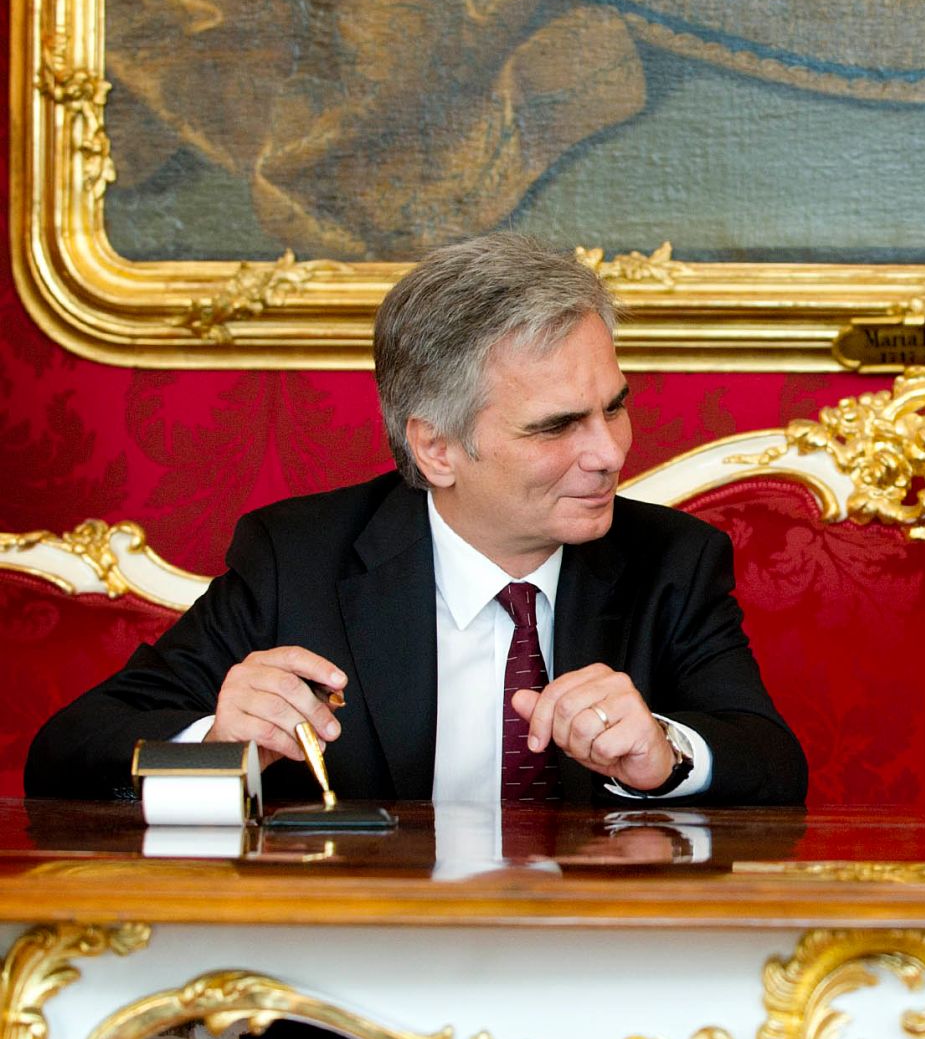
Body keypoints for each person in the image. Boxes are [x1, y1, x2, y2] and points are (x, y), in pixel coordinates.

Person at [26, 232, 807, 809]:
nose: (608, 451)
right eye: (558, 425)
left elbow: (773, 764)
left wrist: (664, 756)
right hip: (354, 990)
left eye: (616, 407)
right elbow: (65, 754)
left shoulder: (672, 562)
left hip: (593, 984)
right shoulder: (298, 562)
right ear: (436, 447)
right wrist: (217, 743)